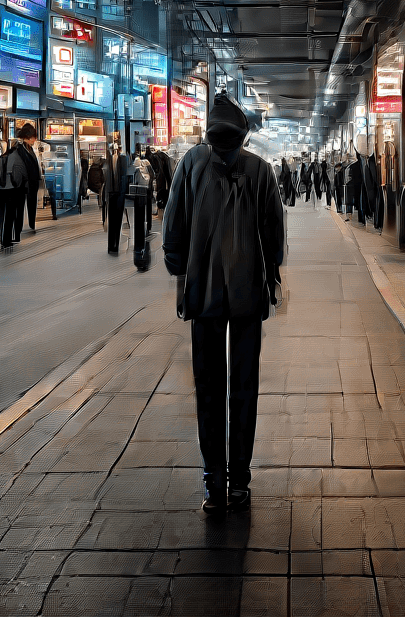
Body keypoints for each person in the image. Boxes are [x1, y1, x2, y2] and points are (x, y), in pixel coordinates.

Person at [162, 92, 284, 516]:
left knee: (209, 387)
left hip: (204, 294)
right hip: (248, 294)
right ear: (244, 136)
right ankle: (239, 482)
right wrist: (271, 276)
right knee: (244, 386)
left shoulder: (190, 166)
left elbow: (173, 227)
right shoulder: (261, 171)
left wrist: (180, 272)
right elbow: (274, 236)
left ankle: (214, 483)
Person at [0, 123, 37, 249]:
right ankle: (6, 240)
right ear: (27, 137)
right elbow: (17, 169)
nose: (35, 140)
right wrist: (18, 182)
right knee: (10, 214)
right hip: (14, 187)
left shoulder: (25, 149)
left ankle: (13, 237)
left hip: (16, 186)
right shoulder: (19, 150)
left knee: (15, 213)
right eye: (33, 137)